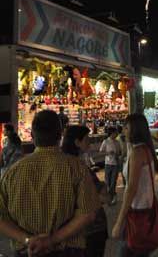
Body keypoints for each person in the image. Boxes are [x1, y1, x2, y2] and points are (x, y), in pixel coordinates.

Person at [0, 109, 99, 256]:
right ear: (60, 135)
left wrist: (28, 240)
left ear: (32, 136)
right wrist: (52, 240)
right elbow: (88, 214)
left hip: (27, 251)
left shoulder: (12, 172)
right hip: (68, 251)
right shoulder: (77, 168)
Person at [112, 113, 158, 257]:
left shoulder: (138, 153)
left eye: (126, 128)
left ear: (135, 130)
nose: (123, 131)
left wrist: (119, 221)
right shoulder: (145, 149)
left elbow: (131, 188)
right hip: (146, 208)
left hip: (137, 211)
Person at [62, 125, 108, 257]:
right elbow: (104, 197)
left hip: (71, 228)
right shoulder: (80, 167)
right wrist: (102, 187)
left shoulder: (65, 164)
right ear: (77, 142)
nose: (90, 142)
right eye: (87, 139)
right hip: (91, 228)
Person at [100, 126, 122, 205]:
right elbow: (101, 151)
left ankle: (111, 197)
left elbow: (120, 152)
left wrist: (117, 154)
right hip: (108, 164)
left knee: (113, 181)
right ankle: (111, 196)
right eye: (115, 132)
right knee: (107, 181)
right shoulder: (106, 141)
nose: (117, 134)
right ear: (111, 133)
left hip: (115, 164)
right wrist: (108, 153)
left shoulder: (117, 142)